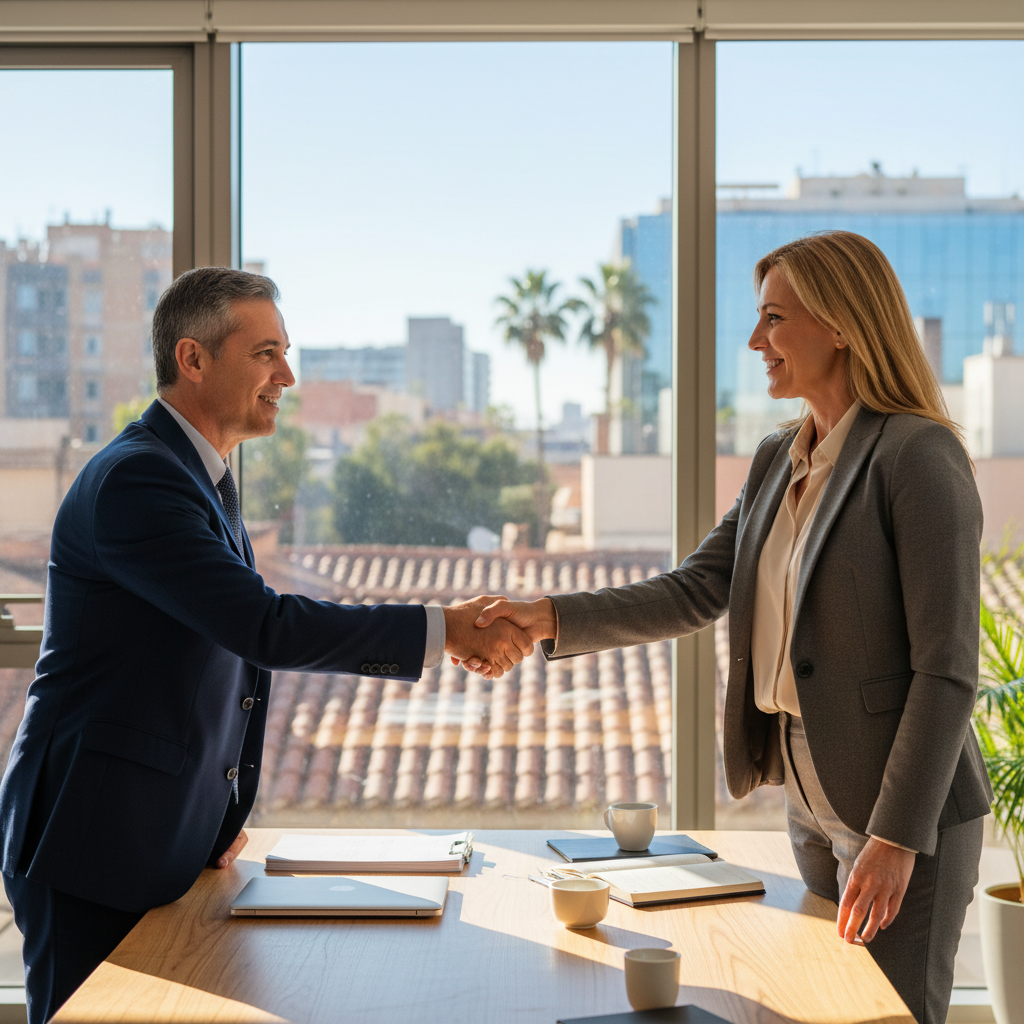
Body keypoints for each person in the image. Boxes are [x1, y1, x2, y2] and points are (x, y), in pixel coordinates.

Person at [470, 231, 992, 1024]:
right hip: (809, 796)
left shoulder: (917, 455)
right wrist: (549, 616)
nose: (756, 341)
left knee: (893, 1014)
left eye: (774, 319)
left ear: (843, 323)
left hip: (902, 805)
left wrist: (895, 837)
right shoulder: (777, 458)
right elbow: (695, 588)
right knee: (828, 1008)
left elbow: (948, 666)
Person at [0, 266, 533, 1024]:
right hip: (95, 845)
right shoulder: (138, 481)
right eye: (266, 354)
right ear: (193, 359)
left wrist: (216, 811)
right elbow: (262, 626)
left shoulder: (198, 479)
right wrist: (441, 629)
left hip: (155, 839)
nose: (287, 375)